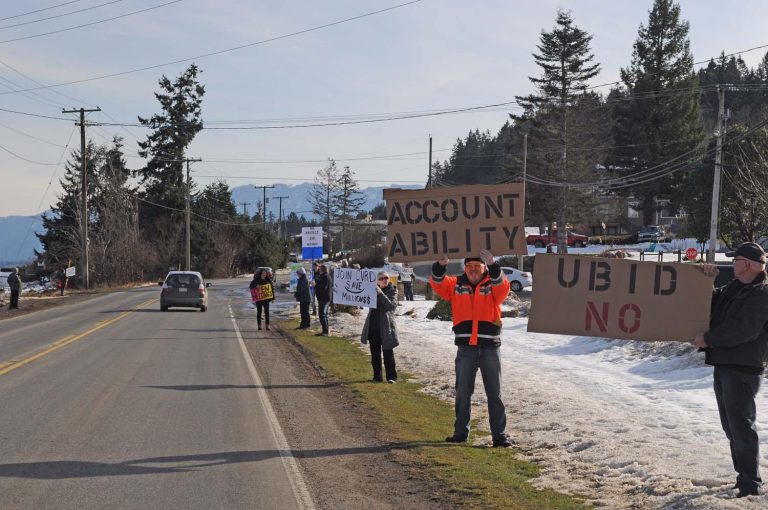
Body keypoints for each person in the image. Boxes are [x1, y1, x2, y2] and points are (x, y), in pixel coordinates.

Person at [693, 241, 768, 498]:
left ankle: (750, 485)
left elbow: (743, 330)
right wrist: (707, 281)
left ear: (747, 264)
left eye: (735, 260)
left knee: (741, 428)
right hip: (725, 364)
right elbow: (713, 303)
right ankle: (744, 478)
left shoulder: (762, 294)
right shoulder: (735, 287)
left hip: (743, 369)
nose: (732, 264)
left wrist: (709, 339)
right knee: (731, 427)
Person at [429, 249, 512, 447]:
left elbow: (503, 289)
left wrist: (493, 264)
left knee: (495, 393)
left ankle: (499, 436)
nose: (473, 270)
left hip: (490, 347)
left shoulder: (493, 284)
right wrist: (440, 265)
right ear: (464, 268)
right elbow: (437, 284)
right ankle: (460, 433)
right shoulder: (455, 284)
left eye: (477, 266)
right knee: (463, 392)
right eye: (469, 267)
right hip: (466, 348)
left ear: (483, 268)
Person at [361, 271, 399, 383]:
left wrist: (380, 294)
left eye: (386, 278)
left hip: (386, 327)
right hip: (373, 326)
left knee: (388, 353)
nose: (384, 280)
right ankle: (377, 377)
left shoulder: (393, 291)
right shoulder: (372, 290)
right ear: (377, 281)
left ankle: (391, 377)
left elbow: (391, 306)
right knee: (375, 354)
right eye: (381, 278)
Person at [314, 263, 331, 336]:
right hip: (324, 297)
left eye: (320, 269)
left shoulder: (325, 277)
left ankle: (325, 331)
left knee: (322, 314)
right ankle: (325, 330)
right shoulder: (325, 276)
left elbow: (323, 288)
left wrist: (316, 285)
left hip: (324, 298)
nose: (319, 270)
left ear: (322, 270)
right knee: (325, 314)